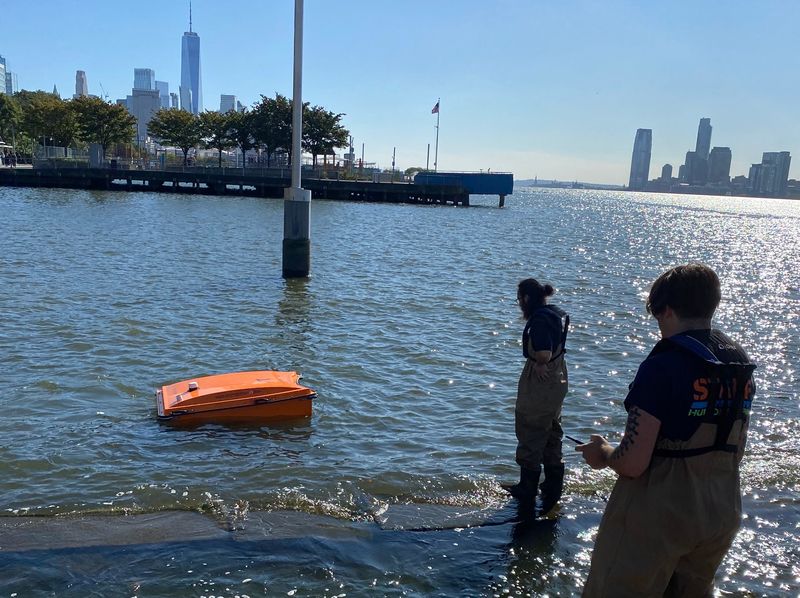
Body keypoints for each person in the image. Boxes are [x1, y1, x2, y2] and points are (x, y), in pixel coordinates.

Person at [576, 263, 756, 597]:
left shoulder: (662, 366)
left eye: (658, 317)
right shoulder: (737, 361)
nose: (659, 327)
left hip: (661, 515)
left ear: (668, 311)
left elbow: (633, 463)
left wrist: (602, 453)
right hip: (721, 507)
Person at [503, 278, 570, 516]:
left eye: (519, 298)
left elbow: (543, 352)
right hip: (558, 379)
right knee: (551, 431)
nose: (519, 303)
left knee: (530, 427)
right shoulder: (554, 314)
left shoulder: (540, 320)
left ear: (527, 299)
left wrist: (541, 362)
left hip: (541, 384)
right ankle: (552, 487)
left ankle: (527, 488)